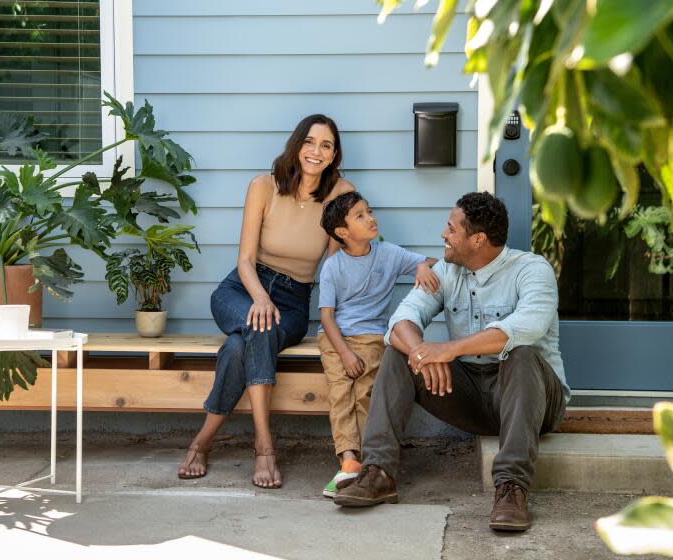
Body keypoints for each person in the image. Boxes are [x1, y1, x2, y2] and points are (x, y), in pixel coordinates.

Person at [334, 192, 570, 532]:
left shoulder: (531, 270)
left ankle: (511, 488)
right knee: (398, 351)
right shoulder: (445, 271)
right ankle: (378, 473)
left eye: (451, 229)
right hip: (472, 395)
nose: (444, 235)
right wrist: (421, 353)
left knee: (521, 352)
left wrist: (448, 350)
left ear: (477, 239)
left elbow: (527, 327)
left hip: (531, 398)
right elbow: (401, 320)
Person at [177, 114, 354, 488]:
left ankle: (203, 440)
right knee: (258, 324)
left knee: (239, 346)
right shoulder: (263, 186)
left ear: (334, 155)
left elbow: (334, 266)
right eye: (309, 141)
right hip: (241, 289)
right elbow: (244, 259)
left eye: (326, 145)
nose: (316, 151)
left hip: (292, 301)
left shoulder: (341, 195)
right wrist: (259, 297)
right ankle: (264, 445)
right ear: (296, 145)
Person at [316, 191, 439, 497]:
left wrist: (423, 265)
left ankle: (366, 462)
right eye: (360, 215)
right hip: (335, 337)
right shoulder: (333, 266)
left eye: (368, 211)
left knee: (364, 393)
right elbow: (327, 317)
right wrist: (344, 353)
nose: (370, 218)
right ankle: (348, 461)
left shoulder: (389, 253)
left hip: (371, 336)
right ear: (342, 232)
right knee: (340, 391)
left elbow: (431, 261)